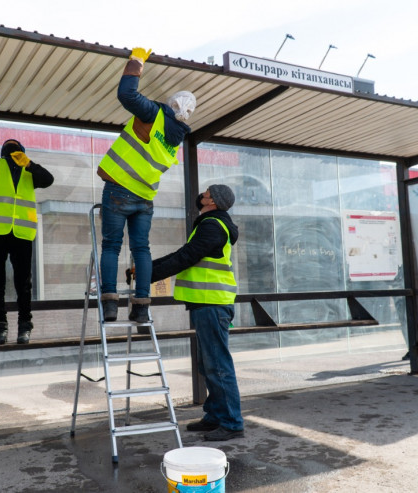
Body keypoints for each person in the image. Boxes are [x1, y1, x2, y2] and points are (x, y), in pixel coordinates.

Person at [97, 47, 196, 325]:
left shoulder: (155, 114)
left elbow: (126, 95)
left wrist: (137, 61)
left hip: (119, 189)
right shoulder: (176, 139)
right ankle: (141, 308)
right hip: (144, 199)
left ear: (171, 104)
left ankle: (110, 305)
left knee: (111, 246)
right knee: (141, 250)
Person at [151, 185, 244, 441]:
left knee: (218, 366)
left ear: (212, 201)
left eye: (205, 193)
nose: (200, 195)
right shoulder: (211, 224)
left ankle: (232, 423)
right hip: (207, 303)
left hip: (211, 303)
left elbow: (186, 257)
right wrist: (149, 268)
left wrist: (149, 273)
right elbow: (184, 255)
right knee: (209, 364)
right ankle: (215, 415)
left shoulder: (212, 226)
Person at [0, 88, 54, 345]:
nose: (12, 153)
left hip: (21, 234)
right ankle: (0, 325)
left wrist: (29, 164)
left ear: (22, 153)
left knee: (24, 283)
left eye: (16, 150)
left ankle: (24, 325)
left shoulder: (30, 172)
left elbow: (49, 179)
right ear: (2, 153)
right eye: (9, 149)